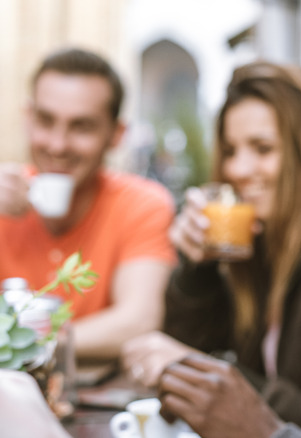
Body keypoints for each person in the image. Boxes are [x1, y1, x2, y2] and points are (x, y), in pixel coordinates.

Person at [121, 60, 301, 438]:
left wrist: (205, 368)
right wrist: (199, 270)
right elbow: (195, 365)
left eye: (262, 149)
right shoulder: (259, 251)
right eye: (230, 150)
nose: (238, 169)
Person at [0, 48, 176, 359]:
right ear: (28, 118)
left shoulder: (142, 204)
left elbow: (138, 320)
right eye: (45, 120)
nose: (58, 145)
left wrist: (23, 346)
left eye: (81, 126)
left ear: (116, 134)